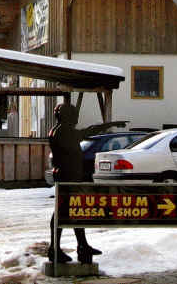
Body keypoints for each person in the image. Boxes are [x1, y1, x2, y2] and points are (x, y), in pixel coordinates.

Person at [47, 102, 127, 263]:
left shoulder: (58, 130)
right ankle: (56, 248)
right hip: (67, 177)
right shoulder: (63, 131)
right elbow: (86, 132)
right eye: (74, 116)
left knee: (72, 211)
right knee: (65, 211)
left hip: (67, 176)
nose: (76, 119)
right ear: (67, 116)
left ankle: (79, 245)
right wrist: (109, 125)